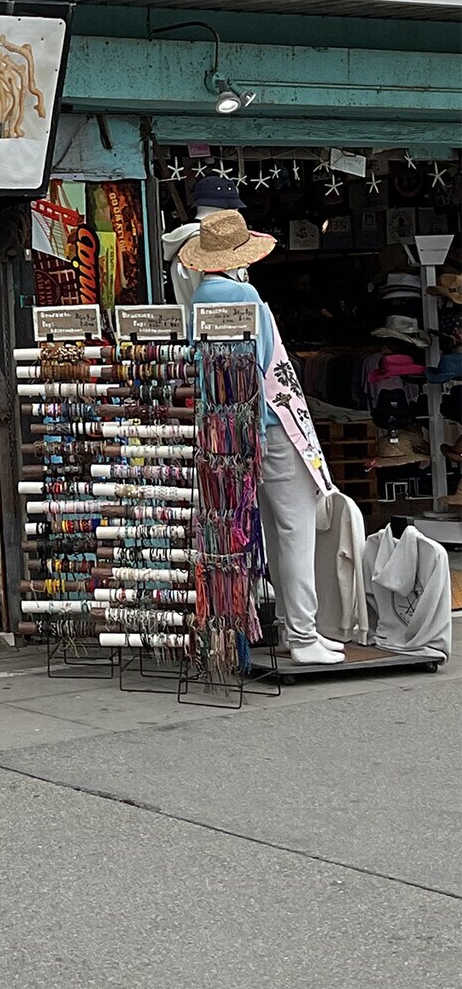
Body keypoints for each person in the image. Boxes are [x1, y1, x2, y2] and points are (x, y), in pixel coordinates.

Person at [179, 209, 345, 665]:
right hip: (270, 421)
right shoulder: (245, 295)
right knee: (295, 527)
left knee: (270, 528)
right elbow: (265, 362)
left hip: (229, 429)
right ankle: (302, 632)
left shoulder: (198, 299)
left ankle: (296, 629)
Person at [163, 173, 247, 323]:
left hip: (188, 326)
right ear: (227, 211)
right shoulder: (209, 246)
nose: (237, 214)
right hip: (218, 327)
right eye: (235, 209)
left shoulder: (180, 242)